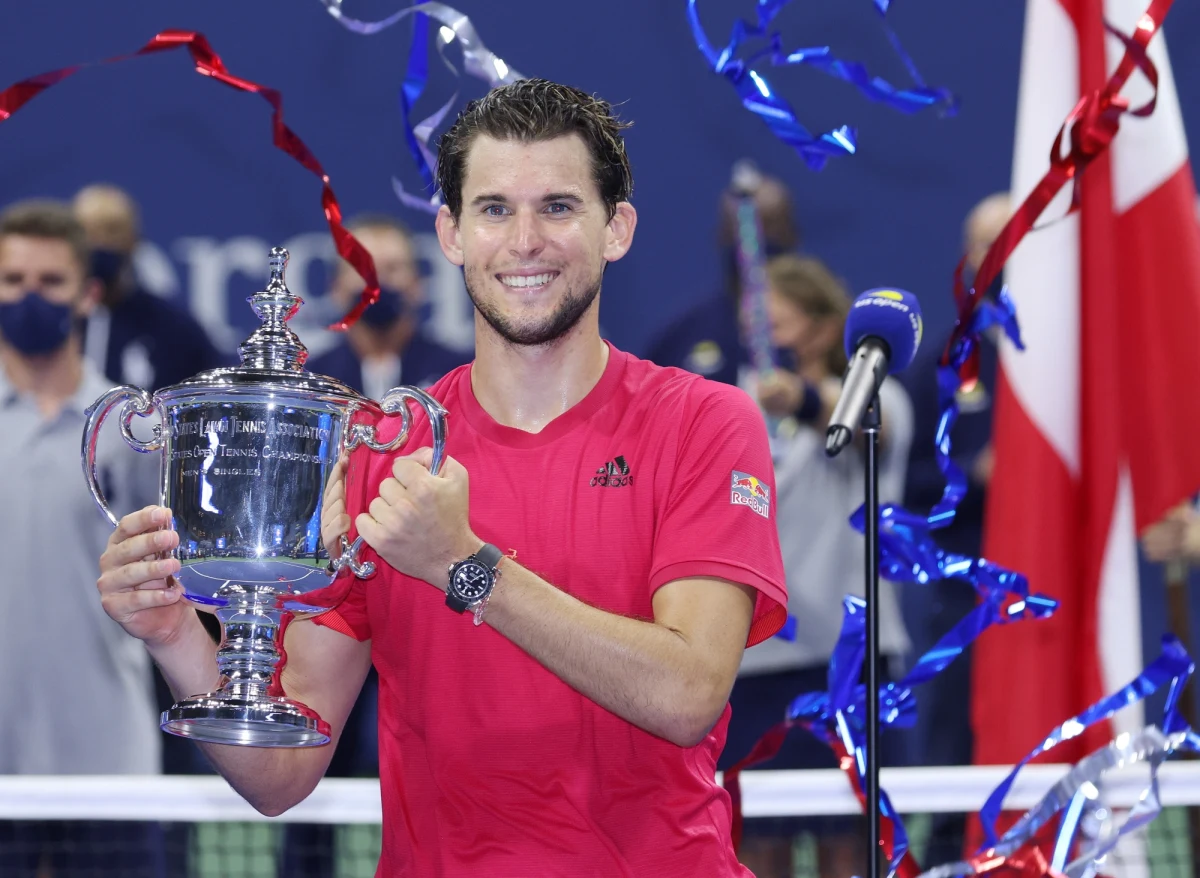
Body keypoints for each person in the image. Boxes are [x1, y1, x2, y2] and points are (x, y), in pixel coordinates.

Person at [96, 79, 789, 876]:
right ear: (452, 234)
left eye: (559, 206)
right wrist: (177, 635)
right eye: (494, 209)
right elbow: (281, 775)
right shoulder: (378, 446)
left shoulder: (703, 422)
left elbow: (687, 694)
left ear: (617, 229)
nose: (525, 240)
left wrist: (464, 565)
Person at [284, 213, 469, 878]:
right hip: (320, 611)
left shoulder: (459, 382)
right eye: (363, 274)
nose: (378, 286)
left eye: (392, 273)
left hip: (420, 610)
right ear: (336, 288)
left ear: (420, 285)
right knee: (303, 756)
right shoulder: (306, 387)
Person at [717, 255, 913, 878]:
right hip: (753, 667)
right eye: (755, 321)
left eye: (777, 320)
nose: (762, 332)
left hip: (850, 665)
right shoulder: (731, 412)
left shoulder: (882, 406)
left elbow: (837, 415)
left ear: (826, 330)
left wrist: (800, 396)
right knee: (756, 846)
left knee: (850, 848)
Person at [0, 199, 163, 876]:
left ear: (89, 293)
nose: (29, 297)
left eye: (50, 282)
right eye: (12, 282)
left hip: (108, 760)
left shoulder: (132, 429)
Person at [898, 191, 1010, 865]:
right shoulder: (943, 367)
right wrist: (976, 472)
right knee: (953, 741)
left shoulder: (1076, 359)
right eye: (985, 245)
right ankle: (944, 857)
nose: (999, 261)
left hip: (1055, 586)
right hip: (961, 592)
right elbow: (906, 482)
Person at [644, 168, 799, 385]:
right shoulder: (685, 334)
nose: (752, 241)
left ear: (790, 234)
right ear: (722, 235)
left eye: (769, 225)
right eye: (739, 226)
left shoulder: (819, 329)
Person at [73, 183, 226, 391]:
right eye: (87, 231)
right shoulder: (58, 321)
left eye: (112, 230)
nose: (100, 242)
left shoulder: (173, 326)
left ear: (134, 240)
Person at [306, 212, 469, 398]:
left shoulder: (457, 377)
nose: (377, 281)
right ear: (336, 287)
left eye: (392, 268)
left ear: (417, 285)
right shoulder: (314, 382)